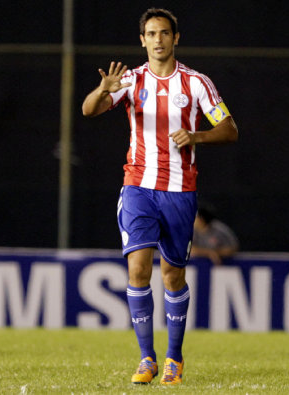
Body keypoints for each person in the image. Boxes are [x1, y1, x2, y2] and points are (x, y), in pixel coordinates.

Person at [82, 8, 238, 385]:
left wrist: (196, 136)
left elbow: (229, 129)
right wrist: (104, 89)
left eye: (164, 33)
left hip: (180, 192)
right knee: (138, 267)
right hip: (138, 186)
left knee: (172, 275)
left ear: (175, 38)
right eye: (150, 34)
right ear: (142, 40)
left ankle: (175, 358)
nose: (157, 40)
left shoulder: (196, 84)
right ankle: (147, 358)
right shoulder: (130, 80)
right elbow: (88, 110)